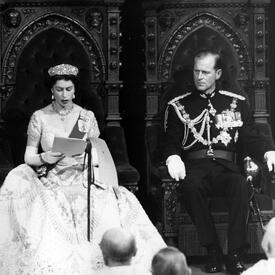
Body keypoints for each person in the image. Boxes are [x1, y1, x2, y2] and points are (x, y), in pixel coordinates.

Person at [0, 64, 166, 274]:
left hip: (83, 175)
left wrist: (87, 154)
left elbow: (98, 150)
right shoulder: (39, 117)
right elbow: (28, 157)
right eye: (59, 89)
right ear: (51, 90)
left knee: (110, 202)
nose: (64, 94)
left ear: (75, 89)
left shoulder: (86, 117)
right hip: (53, 177)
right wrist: (45, 156)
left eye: (68, 89)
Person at [163, 49, 275, 275]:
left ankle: (235, 254)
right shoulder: (178, 105)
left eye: (205, 72)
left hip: (226, 168)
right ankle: (212, 250)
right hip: (194, 168)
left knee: (240, 185)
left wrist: (268, 151)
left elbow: (250, 137)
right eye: (196, 72)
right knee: (190, 187)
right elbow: (169, 140)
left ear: (218, 73)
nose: (199, 77)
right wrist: (172, 156)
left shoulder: (236, 103)